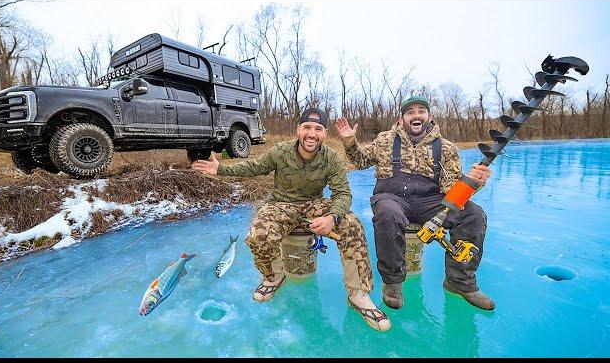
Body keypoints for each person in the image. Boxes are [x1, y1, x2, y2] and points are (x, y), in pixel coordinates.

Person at [192, 108, 391, 331]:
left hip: (315, 204)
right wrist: (220, 169)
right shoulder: (280, 151)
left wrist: (332, 217)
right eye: (307, 127)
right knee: (258, 235)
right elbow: (254, 167)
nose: (312, 134)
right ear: (298, 129)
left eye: (318, 129)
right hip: (281, 204)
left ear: (325, 134)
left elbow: (342, 194)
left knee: (352, 226)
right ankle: (273, 277)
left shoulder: (332, 158)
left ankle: (358, 294)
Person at [335, 95, 496, 311]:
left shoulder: (446, 148)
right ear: (402, 118)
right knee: (388, 214)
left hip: (431, 201)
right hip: (391, 197)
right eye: (410, 112)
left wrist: (475, 182)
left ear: (429, 116)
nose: (416, 115)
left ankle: (460, 281)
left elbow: (452, 189)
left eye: (421, 111)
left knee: (474, 215)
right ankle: (392, 282)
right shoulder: (385, 140)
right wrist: (349, 142)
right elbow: (360, 161)